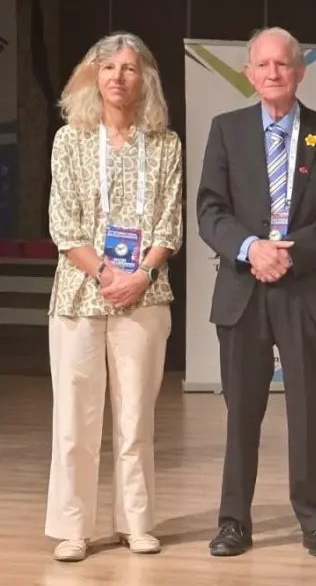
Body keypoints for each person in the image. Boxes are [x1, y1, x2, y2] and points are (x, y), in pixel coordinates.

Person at [196, 27, 316, 558]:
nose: (273, 73)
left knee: (308, 413)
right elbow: (210, 210)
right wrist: (251, 249)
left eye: (282, 64)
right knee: (241, 412)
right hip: (244, 290)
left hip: (306, 290)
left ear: (300, 71)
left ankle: (315, 523)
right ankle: (232, 523)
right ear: (248, 74)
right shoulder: (226, 130)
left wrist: (291, 251)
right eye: (263, 65)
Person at [44, 32, 183, 562]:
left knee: (136, 418)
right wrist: (106, 273)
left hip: (145, 294)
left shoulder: (165, 144)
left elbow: (169, 224)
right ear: (93, 76)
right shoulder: (70, 140)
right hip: (79, 295)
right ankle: (72, 528)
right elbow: (63, 223)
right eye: (108, 68)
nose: (118, 77)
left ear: (145, 78)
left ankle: (136, 522)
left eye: (129, 68)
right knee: (74, 419)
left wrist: (139, 276)